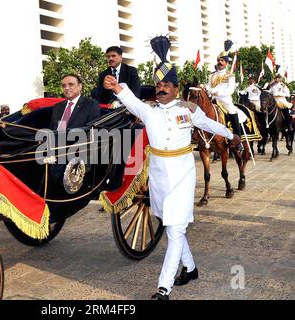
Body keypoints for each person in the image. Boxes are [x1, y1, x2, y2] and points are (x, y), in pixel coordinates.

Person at [103, 36, 241, 301]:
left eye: (167, 84)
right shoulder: (149, 111)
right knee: (171, 224)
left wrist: (231, 135)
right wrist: (116, 87)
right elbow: (130, 99)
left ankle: (163, 287)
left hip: (182, 175)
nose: (162, 88)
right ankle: (190, 268)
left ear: (176, 88)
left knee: (175, 230)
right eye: (158, 84)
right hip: (157, 177)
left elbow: (209, 126)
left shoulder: (188, 110)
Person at [207, 41, 243, 136]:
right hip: (212, 100)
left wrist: (216, 92)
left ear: (226, 63)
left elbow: (230, 90)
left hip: (225, 101)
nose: (220, 62)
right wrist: (209, 91)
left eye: (222, 61)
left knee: (232, 111)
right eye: (219, 60)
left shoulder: (230, 76)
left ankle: (237, 137)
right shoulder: (211, 75)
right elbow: (208, 87)